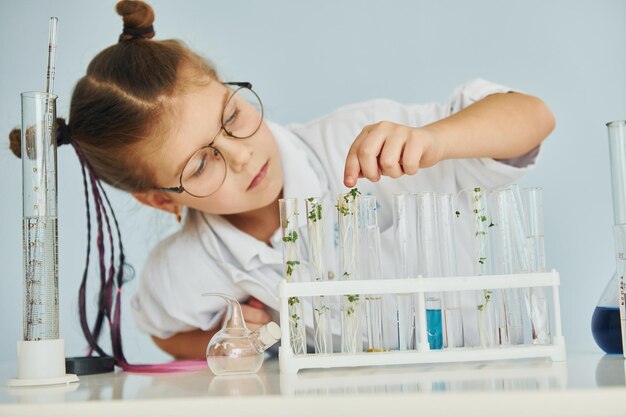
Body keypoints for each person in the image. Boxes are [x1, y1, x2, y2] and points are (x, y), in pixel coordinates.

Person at [9, 0, 555, 361]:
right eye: (200, 165)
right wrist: (229, 340)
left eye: (233, 116)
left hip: (505, 374)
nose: (242, 158)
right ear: (159, 200)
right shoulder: (192, 267)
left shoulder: (354, 136)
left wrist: (438, 140)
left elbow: (533, 118)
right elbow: (163, 328)